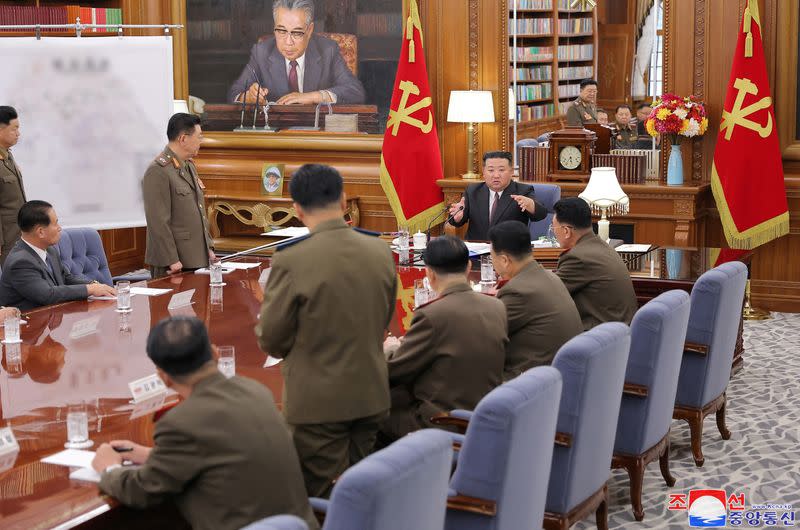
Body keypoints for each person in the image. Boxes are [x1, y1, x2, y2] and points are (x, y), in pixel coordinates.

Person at [92, 317, 318, 530]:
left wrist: (109, 467)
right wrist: (152, 456)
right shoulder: (255, 390)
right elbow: (223, 452)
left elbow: (142, 490)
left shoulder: (181, 424)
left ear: (163, 377)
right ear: (215, 353)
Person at [255, 163, 396, 498]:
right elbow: (384, 318)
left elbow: (272, 340)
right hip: (371, 394)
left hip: (318, 405)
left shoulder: (291, 259)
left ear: (297, 209)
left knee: (322, 501)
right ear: (344, 201)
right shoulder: (379, 250)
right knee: (363, 496)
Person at [380, 236, 507, 441]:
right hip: (483, 413)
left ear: (429, 274)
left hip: (442, 422)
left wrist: (390, 348)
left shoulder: (432, 315)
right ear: (468, 267)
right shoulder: (497, 306)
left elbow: (393, 370)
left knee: (372, 411)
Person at [488, 221, 583, 379]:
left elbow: (484, 335)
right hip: (561, 374)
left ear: (504, 260)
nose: (492, 263)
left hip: (534, 385)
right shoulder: (550, 276)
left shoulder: (518, 291)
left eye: (492, 258)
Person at [227, 0, 365, 105]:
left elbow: (355, 91)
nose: (288, 42)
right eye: (281, 31)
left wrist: (314, 96)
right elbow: (234, 93)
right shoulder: (262, 51)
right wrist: (248, 97)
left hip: (317, 134)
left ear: (310, 30)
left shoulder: (327, 50)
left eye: (297, 33)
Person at [0, 201, 115, 310]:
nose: (59, 228)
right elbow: (47, 295)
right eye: (55, 223)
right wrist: (89, 289)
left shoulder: (50, 250)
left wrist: (94, 285)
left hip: (52, 318)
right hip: (28, 325)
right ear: (40, 232)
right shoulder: (20, 262)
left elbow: (66, 277)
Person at [143, 113, 215, 278]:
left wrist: (208, 248)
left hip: (196, 257)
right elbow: (158, 221)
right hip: (175, 263)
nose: (201, 141)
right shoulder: (158, 170)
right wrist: (172, 260)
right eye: (199, 137)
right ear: (183, 139)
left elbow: (199, 211)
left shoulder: (189, 166)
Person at [552, 197, 638, 330]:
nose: (553, 231)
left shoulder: (577, 257)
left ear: (566, 231)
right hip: (619, 334)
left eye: (554, 227)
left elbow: (547, 294)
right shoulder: (602, 246)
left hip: (599, 339)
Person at [448, 151, 546, 240]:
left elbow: (541, 214)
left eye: (501, 170)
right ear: (484, 171)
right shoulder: (473, 191)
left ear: (511, 171)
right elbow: (456, 221)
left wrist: (531, 205)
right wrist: (457, 218)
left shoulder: (523, 190)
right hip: (477, 251)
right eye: (491, 170)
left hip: (510, 251)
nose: (496, 175)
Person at [0, 106, 26, 266]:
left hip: (17, 233)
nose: (18, 133)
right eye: (14, 129)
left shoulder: (7, 155)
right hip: (5, 239)